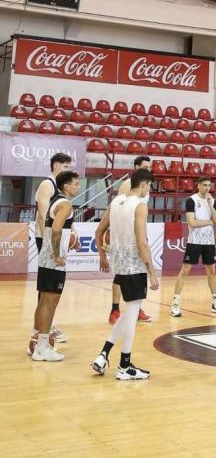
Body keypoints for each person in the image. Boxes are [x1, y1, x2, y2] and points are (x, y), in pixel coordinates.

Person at [92, 169, 159, 379]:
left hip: (119, 264)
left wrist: (102, 256)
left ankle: (103, 354)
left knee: (130, 312)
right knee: (132, 315)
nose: (148, 190)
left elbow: (98, 231)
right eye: (149, 186)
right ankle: (124, 365)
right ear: (143, 184)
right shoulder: (140, 205)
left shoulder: (116, 202)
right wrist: (152, 271)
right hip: (134, 265)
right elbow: (141, 242)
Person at [30, 171, 81, 361]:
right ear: (66, 186)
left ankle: (36, 340)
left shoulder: (55, 201)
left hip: (46, 258)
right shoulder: (65, 204)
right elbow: (57, 230)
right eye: (76, 183)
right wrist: (58, 253)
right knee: (50, 302)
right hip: (53, 260)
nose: (78, 187)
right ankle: (42, 348)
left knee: (44, 301)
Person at [170, 176, 216, 317]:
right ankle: (175, 304)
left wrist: (210, 205)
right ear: (198, 185)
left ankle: (215, 303)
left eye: (209, 185)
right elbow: (192, 222)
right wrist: (209, 222)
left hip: (209, 242)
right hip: (194, 241)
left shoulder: (212, 200)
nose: (207, 188)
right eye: (205, 185)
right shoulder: (191, 200)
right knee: (185, 271)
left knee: (211, 272)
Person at [109, 155, 153, 324]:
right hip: (126, 236)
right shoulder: (128, 184)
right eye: (145, 166)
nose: (148, 169)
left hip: (138, 231)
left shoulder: (145, 185)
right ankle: (115, 309)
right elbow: (118, 208)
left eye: (149, 167)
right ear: (136, 167)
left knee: (137, 273)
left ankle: (137, 309)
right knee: (121, 274)